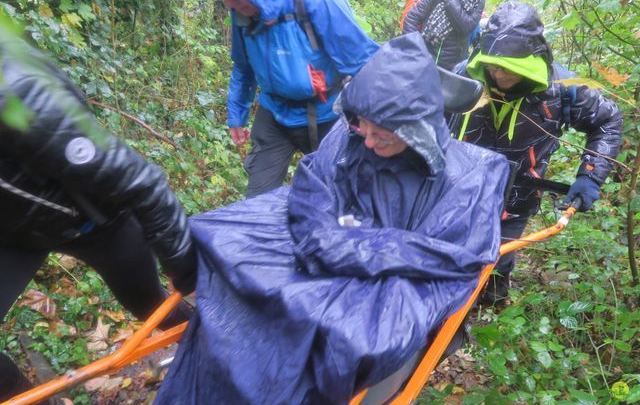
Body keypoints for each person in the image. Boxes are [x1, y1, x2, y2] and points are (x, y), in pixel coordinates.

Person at [155, 33, 510, 404]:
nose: (369, 143)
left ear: (417, 132)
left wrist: (348, 243)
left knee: (345, 333)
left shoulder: (470, 176)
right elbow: (313, 182)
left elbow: (454, 254)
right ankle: (220, 360)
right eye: (363, 128)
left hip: (372, 259)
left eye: (384, 137)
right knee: (221, 243)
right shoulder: (350, 132)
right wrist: (327, 236)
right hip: (335, 236)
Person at [0, 31, 197, 402]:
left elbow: (141, 182)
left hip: (95, 222)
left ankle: (210, 345)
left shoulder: (15, 90)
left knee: (148, 304)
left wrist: (187, 275)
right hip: (14, 231)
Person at [452, 1, 623, 305]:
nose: (498, 73)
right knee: (451, 257)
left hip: (518, 198)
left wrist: (590, 176)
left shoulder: (561, 89)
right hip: (458, 192)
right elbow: (428, 118)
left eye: (508, 68)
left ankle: (492, 303)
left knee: (498, 261)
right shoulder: (464, 78)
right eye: (492, 64)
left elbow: (608, 120)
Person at [203, 0, 378, 198]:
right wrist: (236, 114)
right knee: (257, 202)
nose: (227, 3)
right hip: (274, 114)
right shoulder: (241, 9)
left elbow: (362, 63)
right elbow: (243, 65)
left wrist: (373, 121)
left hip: (326, 116)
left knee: (336, 199)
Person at [402, 0, 485, 71]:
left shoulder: (478, 1)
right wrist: (413, 48)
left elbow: (466, 27)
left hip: (452, 66)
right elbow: (411, 18)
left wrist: (451, 1)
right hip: (424, 56)